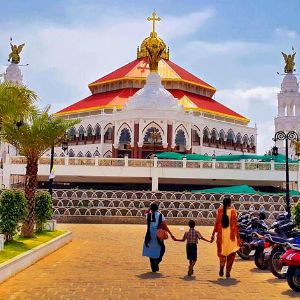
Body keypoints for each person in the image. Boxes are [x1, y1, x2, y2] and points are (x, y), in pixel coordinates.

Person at [211, 197, 240, 278]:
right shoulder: (233, 212)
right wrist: (238, 237)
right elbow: (235, 225)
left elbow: (217, 223)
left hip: (221, 237)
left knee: (222, 254)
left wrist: (213, 234)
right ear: (230, 203)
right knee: (231, 254)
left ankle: (222, 265)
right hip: (231, 237)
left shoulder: (220, 211)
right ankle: (227, 271)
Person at [143, 202, 173, 272]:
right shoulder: (160, 215)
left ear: (151, 209)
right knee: (162, 249)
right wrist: (171, 234)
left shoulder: (148, 215)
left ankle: (153, 267)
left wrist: (149, 208)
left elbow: (145, 213)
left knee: (151, 251)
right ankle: (157, 261)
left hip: (149, 235)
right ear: (157, 208)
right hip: (158, 235)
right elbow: (165, 226)